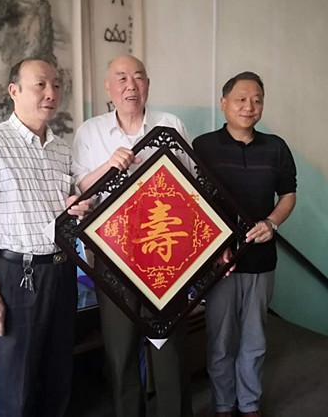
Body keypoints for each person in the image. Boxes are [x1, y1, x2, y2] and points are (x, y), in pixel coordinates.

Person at [0, 58, 90, 417]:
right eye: (40, 85)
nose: (51, 93)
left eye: (56, 85)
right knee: (17, 384)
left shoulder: (61, 149)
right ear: (14, 91)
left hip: (63, 272)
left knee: (58, 374)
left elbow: (66, 206)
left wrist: (77, 206)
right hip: (18, 276)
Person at [72, 54, 194, 417]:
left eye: (138, 77)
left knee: (169, 345)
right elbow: (80, 191)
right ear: (108, 87)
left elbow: (192, 187)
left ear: (148, 85)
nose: (131, 85)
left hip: (166, 254)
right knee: (120, 348)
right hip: (113, 254)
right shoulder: (89, 132)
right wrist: (109, 166)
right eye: (122, 78)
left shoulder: (170, 125)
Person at [192, 71, 297, 417]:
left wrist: (272, 222)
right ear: (223, 103)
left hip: (261, 260)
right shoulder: (203, 146)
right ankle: (224, 404)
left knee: (255, 339)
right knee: (220, 340)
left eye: (256, 100)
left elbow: (288, 194)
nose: (249, 106)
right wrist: (212, 245)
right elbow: (192, 200)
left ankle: (249, 403)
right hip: (219, 262)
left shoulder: (276, 147)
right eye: (240, 99)